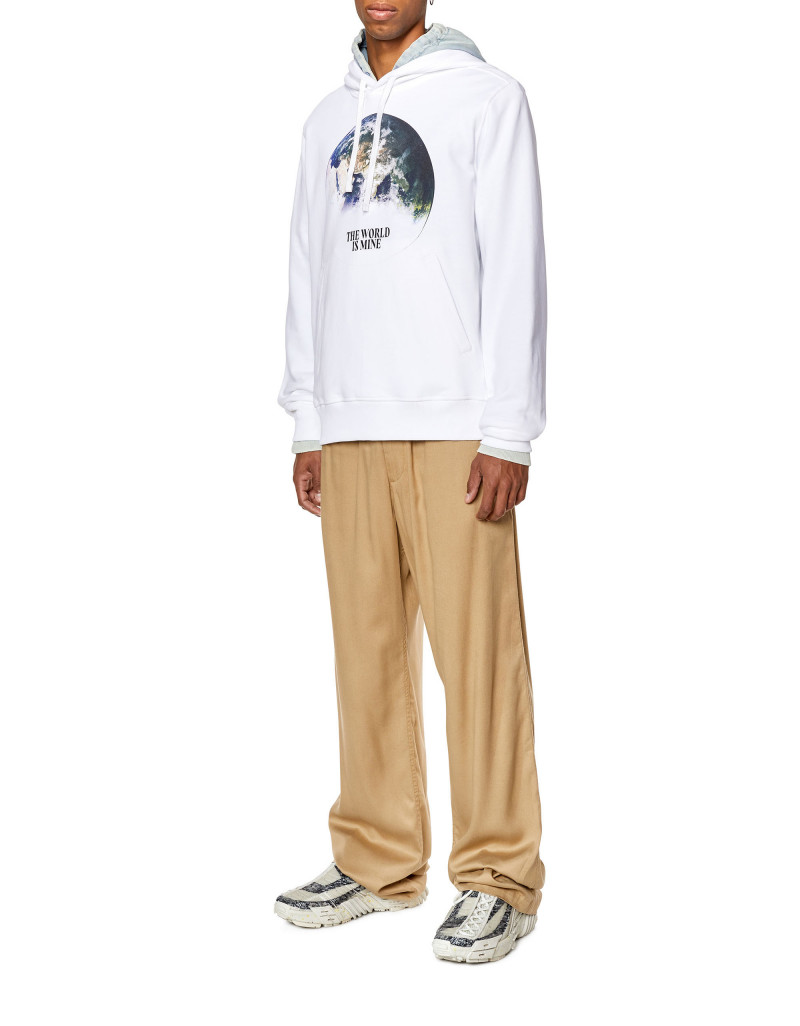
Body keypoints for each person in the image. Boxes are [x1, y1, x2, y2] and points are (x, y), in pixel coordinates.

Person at [275, 0, 547, 964]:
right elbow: (308, 269)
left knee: (479, 658)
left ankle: (499, 875)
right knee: (366, 654)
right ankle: (378, 858)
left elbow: (516, 263)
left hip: (455, 421)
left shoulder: (487, 99)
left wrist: (508, 430)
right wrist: (309, 417)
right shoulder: (324, 120)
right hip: (350, 421)